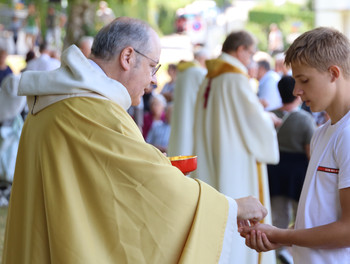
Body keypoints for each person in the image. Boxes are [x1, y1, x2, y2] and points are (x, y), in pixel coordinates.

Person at [2, 17, 268, 264]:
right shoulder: (95, 111)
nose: (154, 80)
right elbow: (149, 191)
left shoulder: (56, 101)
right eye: (153, 67)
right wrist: (232, 207)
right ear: (128, 57)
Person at [239, 27, 350, 264]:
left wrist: (284, 234)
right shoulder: (322, 133)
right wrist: (284, 237)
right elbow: (319, 215)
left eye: (304, 80)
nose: (297, 92)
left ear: (333, 73)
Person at [192, 30, 280, 264]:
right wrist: (268, 120)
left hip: (213, 158)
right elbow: (254, 121)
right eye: (250, 53)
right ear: (240, 50)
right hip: (236, 163)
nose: (251, 59)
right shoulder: (234, 78)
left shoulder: (210, 77)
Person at [267, 75, 316, 263]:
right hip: (298, 172)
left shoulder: (270, 115)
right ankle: (291, 251)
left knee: (278, 213)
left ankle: (275, 251)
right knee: (300, 213)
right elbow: (310, 151)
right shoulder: (305, 119)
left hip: (274, 169)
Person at [167, 49, 208, 157]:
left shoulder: (182, 73)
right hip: (192, 115)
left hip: (180, 115)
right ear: (200, 59)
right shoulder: (199, 72)